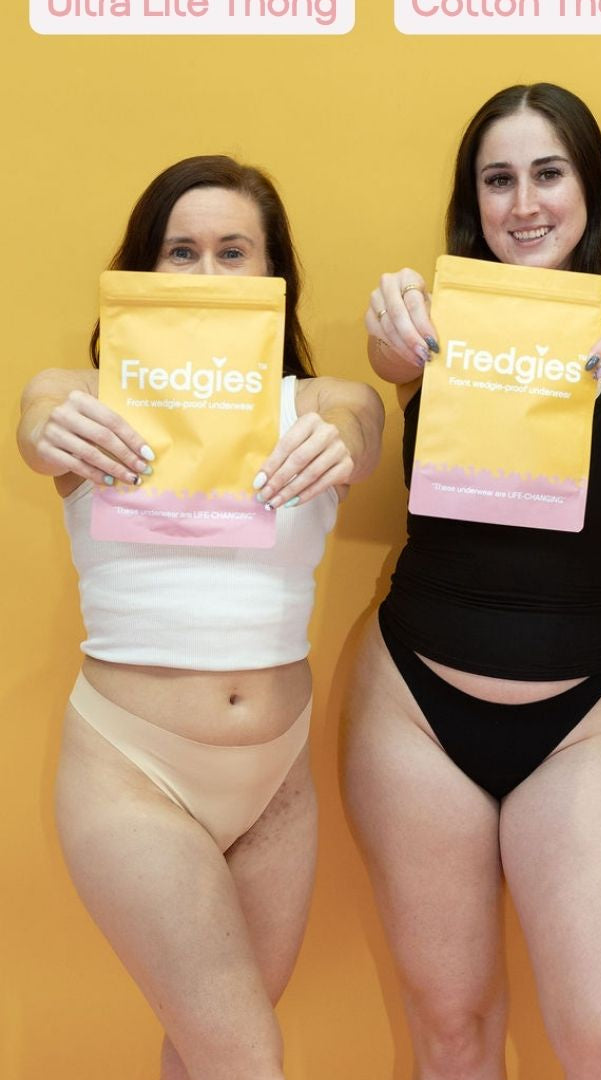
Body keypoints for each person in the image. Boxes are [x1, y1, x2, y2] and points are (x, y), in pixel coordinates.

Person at [342, 83, 601, 1080]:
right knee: (453, 1034)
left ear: (590, 191)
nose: (524, 203)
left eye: (549, 173)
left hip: (578, 725)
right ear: (474, 202)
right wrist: (390, 326)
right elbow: (386, 352)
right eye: (498, 180)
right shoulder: (428, 328)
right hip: (414, 711)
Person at [17, 155, 384, 1080]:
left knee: (206, 1048)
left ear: (273, 279)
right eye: (181, 253)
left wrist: (347, 436)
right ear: (143, 271)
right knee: (245, 1059)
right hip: (133, 773)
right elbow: (39, 415)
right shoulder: (87, 403)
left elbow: (364, 418)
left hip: (277, 782)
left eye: (234, 252)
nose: (209, 274)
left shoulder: (315, 406)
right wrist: (42, 425)